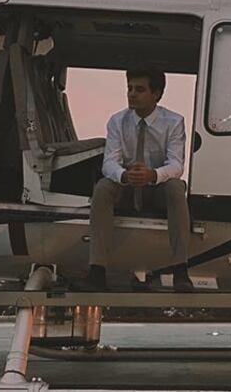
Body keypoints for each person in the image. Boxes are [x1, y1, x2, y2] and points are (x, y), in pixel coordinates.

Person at [79, 65, 192, 292]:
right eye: (129, 88)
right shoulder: (117, 121)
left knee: (176, 188)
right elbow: (109, 162)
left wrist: (153, 175)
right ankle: (97, 271)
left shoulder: (173, 122)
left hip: (156, 187)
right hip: (127, 186)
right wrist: (124, 175)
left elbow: (176, 165)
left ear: (156, 94)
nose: (131, 94)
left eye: (139, 89)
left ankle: (181, 271)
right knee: (103, 187)